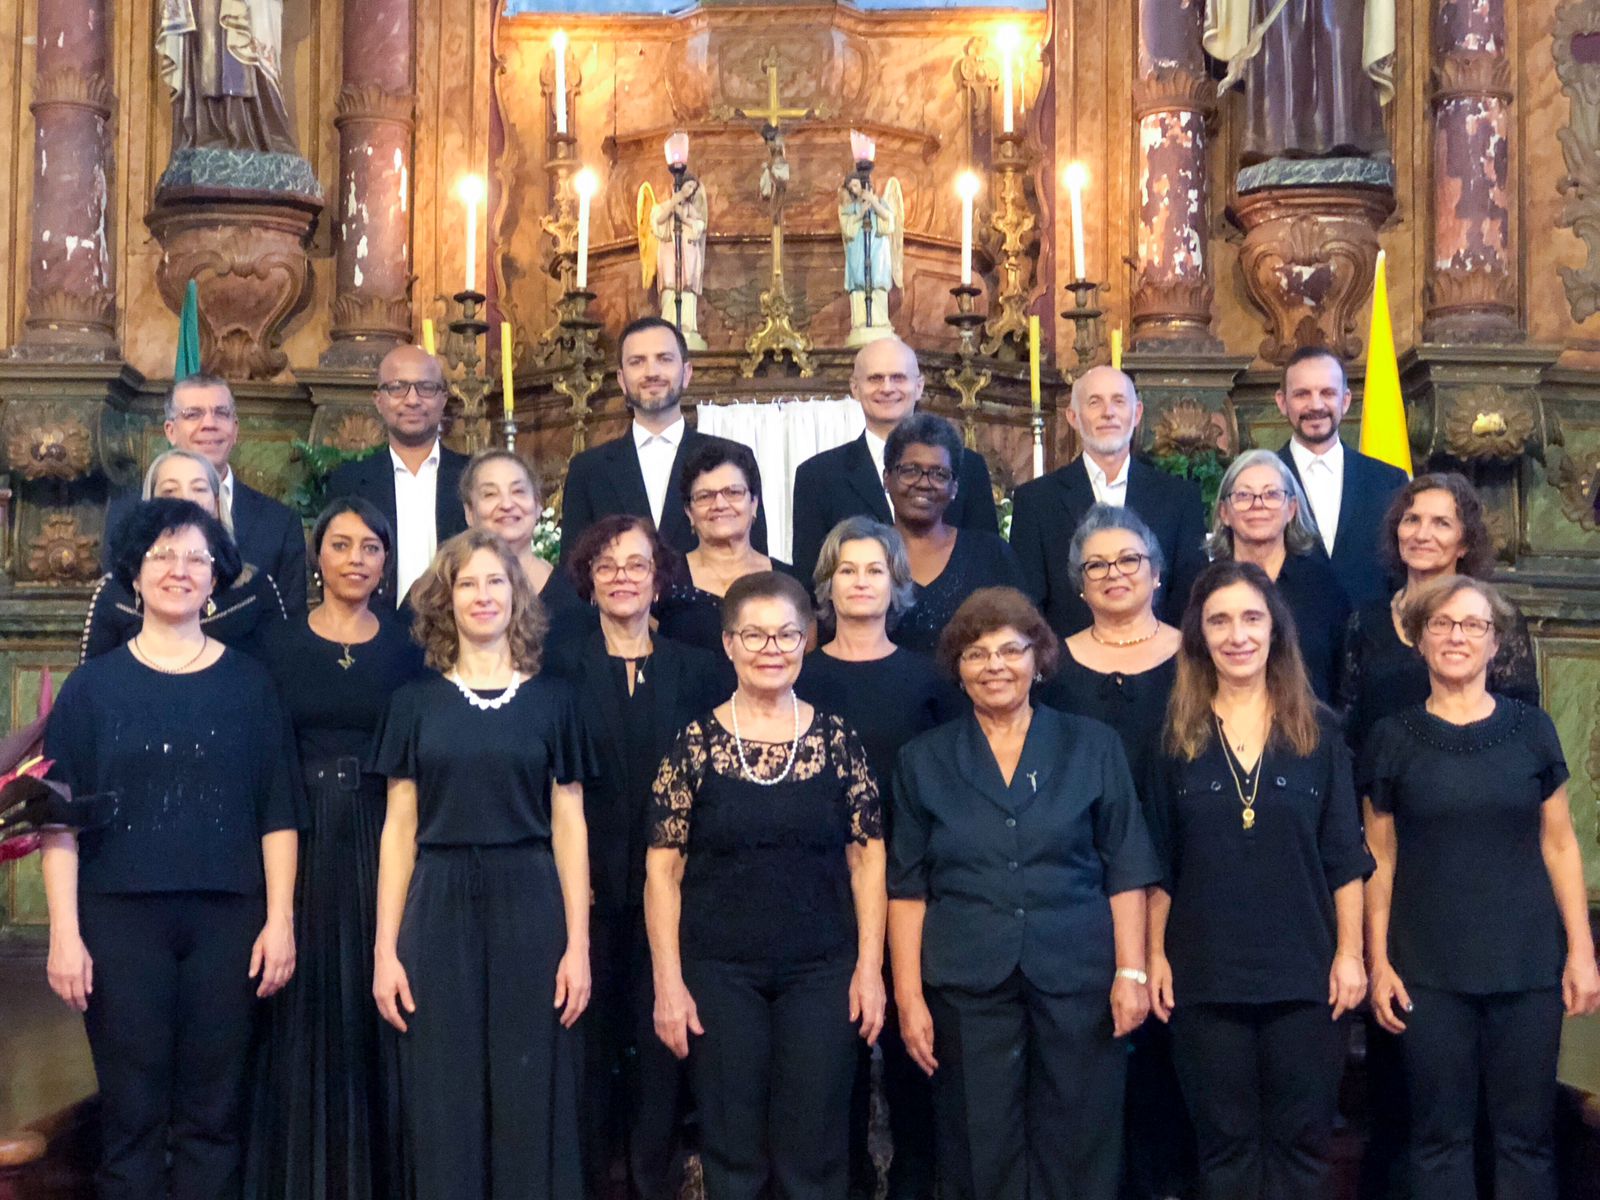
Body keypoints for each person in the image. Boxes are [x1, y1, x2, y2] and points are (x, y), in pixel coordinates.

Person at [41, 497, 300, 1199]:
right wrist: (64, 934)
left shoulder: (251, 685)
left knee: (213, 1114)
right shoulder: (91, 689)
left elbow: (278, 813)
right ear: (134, 572)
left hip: (230, 921)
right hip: (119, 921)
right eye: (162, 555)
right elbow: (58, 824)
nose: (178, 570)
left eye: (195, 557)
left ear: (215, 578)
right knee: (130, 1116)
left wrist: (281, 921)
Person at [888, 586, 1160, 1200]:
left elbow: (1126, 867)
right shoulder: (922, 760)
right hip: (966, 980)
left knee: (1080, 1143)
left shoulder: (1094, 745)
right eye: (976, 654)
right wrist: (908, 997)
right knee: (979, 1147)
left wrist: (1132, 972)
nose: (995, 666)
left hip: (1080, 976)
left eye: (1011, 650)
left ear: (1038, 659)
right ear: (957, 669)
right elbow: (907, 888)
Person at [645, 571, 886, 1200]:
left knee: (815, 1156)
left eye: (786, 634)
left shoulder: (838, 741)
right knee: (733, 1155)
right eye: (754, 635)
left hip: (823, 972)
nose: (771, 649)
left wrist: (869, 970)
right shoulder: (693, 745)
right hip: (718, 973)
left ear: (806, 640)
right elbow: (662, 873)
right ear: (728, 644)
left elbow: (868, 860)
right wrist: (668, 983)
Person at [1361, 575, 1600, 1200]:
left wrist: (1581, 951)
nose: (1456, 637)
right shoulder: (1391, 737)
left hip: (1526, 966)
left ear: (1495, 644)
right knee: (1438, 1139)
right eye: (1441, 624)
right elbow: (1378, 858)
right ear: (1420, 640)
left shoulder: (1532, 730)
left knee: (1526, 1140)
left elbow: (1560, 844)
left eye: (1473, 625)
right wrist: (1377, 961)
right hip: (1427, 969)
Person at [369, 529, 592, 1199]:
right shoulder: (413, 703)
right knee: (443, 1090)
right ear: (447, 599)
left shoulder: (554, 701)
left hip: (531, 899)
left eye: (496, 581)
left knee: (530, 1088)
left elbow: (570, 826)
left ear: (517, 595)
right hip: (437, 902)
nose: (483, 595)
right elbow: (399, 830)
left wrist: (578, 945)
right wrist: (385, 950)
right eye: (467, 583)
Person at [1145, 560, 1372, 1200]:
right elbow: (1158, 862)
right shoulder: (1173, 737)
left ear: (1276, 629)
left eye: (1251, 618)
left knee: (1302, 1150)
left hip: (1306, 976)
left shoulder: (1319, 732)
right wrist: (1153, 955)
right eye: (1220, 621)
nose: (1237, 635)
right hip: (1204, 976)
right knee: (1225, 1152)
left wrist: (1351, 954)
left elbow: (1344, 857)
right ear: (1200, 634)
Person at [244, 497, 424, 1200]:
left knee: (384, 1003)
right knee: (304, 1010)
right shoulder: (275, 644)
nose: (356, 559)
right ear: (317, 557)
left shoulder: (409, 650)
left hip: (387, 836)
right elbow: (265, 758)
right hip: (302, 834)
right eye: (341, 545)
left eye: (370, 547)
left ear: (386, 562)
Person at [544, 515, 723, 1200]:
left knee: (660, 1059)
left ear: (659, 578)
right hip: (582, 896)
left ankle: (654, 1184)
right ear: (587, 580)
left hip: (675, 894)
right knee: (587, 1057)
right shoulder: (556, 667)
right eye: (607, 566)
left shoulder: (700, 671)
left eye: (637, 564)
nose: (622, 577)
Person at [795, 517, 960, 1200]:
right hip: (823, 889)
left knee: (913, 1049)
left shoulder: (930, 678)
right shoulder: (800, 675)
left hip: (917, 887)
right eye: (847, 570)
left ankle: (917, 1182)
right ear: (827, 585)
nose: (861, 583)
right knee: (835, 1058)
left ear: (897, 585)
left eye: (875, 570)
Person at [1031, 504, 1193, 1200]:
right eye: (1096, 564)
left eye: (1129, 560)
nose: (1113, 573)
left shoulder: (1198, 656)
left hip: (1189, 873)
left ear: (1156, 573)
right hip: (1083, 886)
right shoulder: (1052, 666)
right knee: (1093, 1058)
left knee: (1174, 1057)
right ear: (1078, 582)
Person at [1341, 471, 1539, 754]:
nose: (1422, 535)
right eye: (1412, 520)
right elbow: (1349, 729)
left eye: (1441, 523)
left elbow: (1522, 725)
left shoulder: (1495, 616)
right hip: (1382, 777)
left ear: (1465, 543)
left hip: (1473, 775)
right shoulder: (1365, 621)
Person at [1010, 366, 1208, 637]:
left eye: (1119, 401)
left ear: (1136, 413)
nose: (1108, 413)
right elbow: (1026, 605)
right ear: (1073, 417)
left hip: (1162, 657)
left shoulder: (1180, 498)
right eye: (1095, 402)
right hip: (1068, 657)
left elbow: (1190, 595)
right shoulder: (1036, 501)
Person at [789, 339, 998, 583]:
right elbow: (811, 580)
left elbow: (988, 562)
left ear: (919, 386)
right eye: (875, 378)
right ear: (855, 388)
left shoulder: (969, 466)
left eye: (898, 378)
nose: (887, 388)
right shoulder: (817, 476)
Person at [559, 317, 767, 559]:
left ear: (687, 373)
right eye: (637, 362)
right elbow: (572, 569)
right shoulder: (588, 469)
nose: (651, 372)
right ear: (621, 380)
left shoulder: (733, 459)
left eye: (664, 359)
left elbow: (756, 562)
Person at [105, 375, 308, 615]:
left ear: (235, 429)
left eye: (221, 413)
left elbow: (290, 622)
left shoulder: (280, 523)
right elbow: (115, 611)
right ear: (170, 431)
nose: (209, 423)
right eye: (193, 414)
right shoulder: (123, 516)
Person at [83, 448, 288, 660]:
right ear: (149, 502)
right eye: (170, 490)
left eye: (199, 489)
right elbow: (93, 674)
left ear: (217, 503)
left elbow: (282, 670)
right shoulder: (115, 591)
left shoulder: (256, 587)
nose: (186, 499)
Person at [325, 344, 470, 606]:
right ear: (378, 401)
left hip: (459, 622)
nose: (412, 400)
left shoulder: (472, 477)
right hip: (374, 623)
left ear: (443, 399)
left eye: (426, 387)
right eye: (397, 387)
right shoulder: (349, 482)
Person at [1206, 449, 1348, 703]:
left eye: (1272, 494)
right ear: (1224, 513)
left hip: (1312, 723)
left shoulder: (1322, 586)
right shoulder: (1205, 587)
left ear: (1291, 509)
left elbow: (1342, 676)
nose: (1258, 504)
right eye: (1244, 495)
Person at [1274, 347, 1411, 610]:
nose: (1316, 405)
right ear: (1282, 402)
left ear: (1346, 401)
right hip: (1286, 631)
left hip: (1371, 632)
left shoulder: (1389, 481)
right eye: (1302, 394)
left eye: (1327, 393)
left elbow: (1401, 569)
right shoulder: (1260, 481)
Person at [654, 439, 800, 678]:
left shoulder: (790, 581)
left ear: (754, 503)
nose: (719, 504)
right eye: (705, 496)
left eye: (733, 492)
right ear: (689, 512)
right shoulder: (662, 578)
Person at [885, 413, 1024, 655]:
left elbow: (1024, 637)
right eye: (910, 471)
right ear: (887, 479)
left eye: (939, 474)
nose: (924, 483)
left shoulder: (991, 555)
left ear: (954, 488)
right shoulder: (865, 556)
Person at [460, 448, 593, 646]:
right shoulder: (444, 592)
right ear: (469, 513)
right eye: (490, 494)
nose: (506, 504)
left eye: (518, 491)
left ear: (538, 504)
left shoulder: (575, 593)